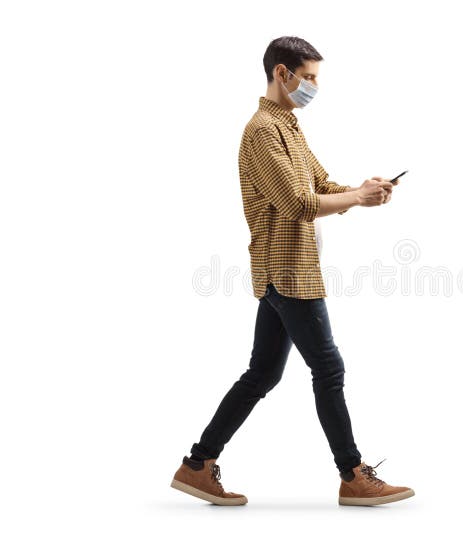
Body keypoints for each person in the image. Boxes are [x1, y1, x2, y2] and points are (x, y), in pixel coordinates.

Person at [170, 36, 414, 507]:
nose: (314, 87)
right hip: (288, 271)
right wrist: (356, 200)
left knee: (262, 374)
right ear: (282, 73)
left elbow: (320, 185)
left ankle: (197, 465)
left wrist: (362, 190)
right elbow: (299, 203)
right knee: (328, 367)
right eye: (310, 77)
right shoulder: (263, 130)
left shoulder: (289, 126)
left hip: (291, 268)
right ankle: (352, 474)